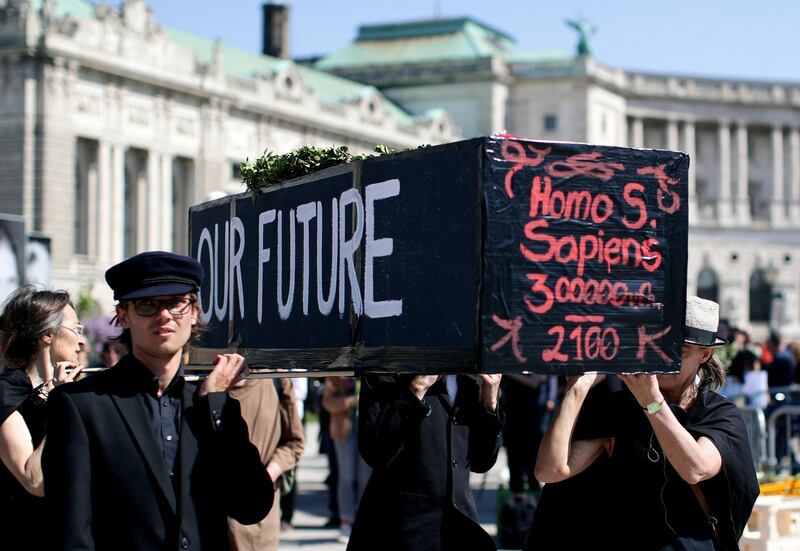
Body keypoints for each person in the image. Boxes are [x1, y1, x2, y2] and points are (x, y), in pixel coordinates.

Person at [43, 251, 274, 550]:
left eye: (176, 303)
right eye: (147, 305)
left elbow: (252, 506)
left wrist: (216, 405)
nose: (163, 315)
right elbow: (70, 533)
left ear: (193, 312)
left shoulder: (209, 406)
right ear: (123, 314)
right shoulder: (81, 405)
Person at [533, 296, 759, 550]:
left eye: (679, 352)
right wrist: (577, 388)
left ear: (705, 355)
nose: (664, 359)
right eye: (657, 346)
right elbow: (550, 471)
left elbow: (695, 468)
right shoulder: (620, 408)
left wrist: (652, 402)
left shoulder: (718, 413)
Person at [347, 373, 503, 551]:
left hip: (458, 528)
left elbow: (481, 462)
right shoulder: (386, 366)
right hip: (398, 527)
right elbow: (374, 452)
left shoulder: (472, 376)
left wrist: (490, 406)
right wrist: (415, 389)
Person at [0, 286, 84, 550]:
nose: (82, 341)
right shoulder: (6, 391)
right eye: (76, 329)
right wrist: (63, 404)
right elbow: (35, 480)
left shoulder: (59, 391)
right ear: (48, 335)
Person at [228, 378, 305, 551]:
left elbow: (295, 442)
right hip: (211, 514)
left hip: (259, 514)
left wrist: (265, 477)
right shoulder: (202, 379)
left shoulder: (276, 380)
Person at [322, 376, 371, 542]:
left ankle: (364, 520)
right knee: (347, 477)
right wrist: (351, 401)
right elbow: (328, 402)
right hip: (343, 431)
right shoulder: (337, 374)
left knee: (366, 476)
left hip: (368, 427)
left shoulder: (370, 371)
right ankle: (346, 521)